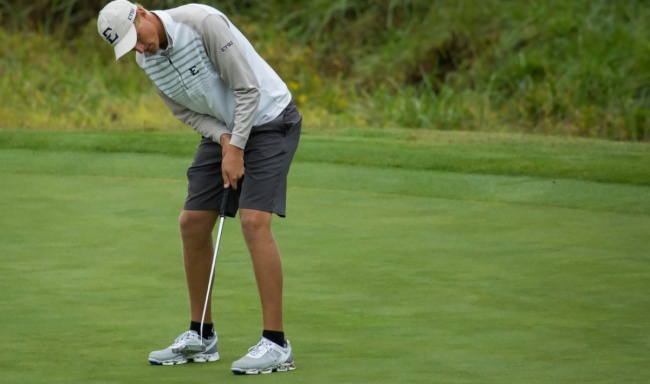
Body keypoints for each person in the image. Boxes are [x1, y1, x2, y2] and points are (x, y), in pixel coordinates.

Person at [97, 0, 301, 374]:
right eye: (130, 48)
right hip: (225, 130)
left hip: (271, 119)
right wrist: (224, 139)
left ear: (142, 12)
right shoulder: (148, 59)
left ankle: (276, 343)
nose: (139, 50)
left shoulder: (201, 23)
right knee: (191, 223)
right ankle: (201, 335)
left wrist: (236, 147)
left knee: (254, 222)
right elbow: (185, 112)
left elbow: (248, 89)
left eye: (137, 39)